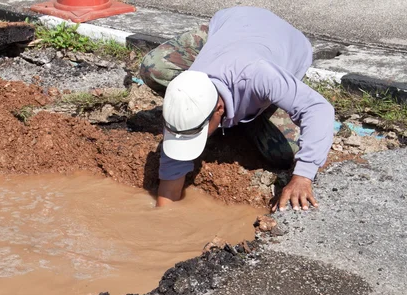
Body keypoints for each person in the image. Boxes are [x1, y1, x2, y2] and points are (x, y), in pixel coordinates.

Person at [139, 7, 335, 211]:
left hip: (282, 42)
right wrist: (163, 215)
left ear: (219, 109)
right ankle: (238, 119)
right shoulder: (187, 86)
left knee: (284, 153)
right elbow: (170, 183)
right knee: (157, 69)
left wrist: (303, 176)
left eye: (196, 131)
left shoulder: (260, 76)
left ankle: (250, 118)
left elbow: (318, 109)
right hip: (232, 32)